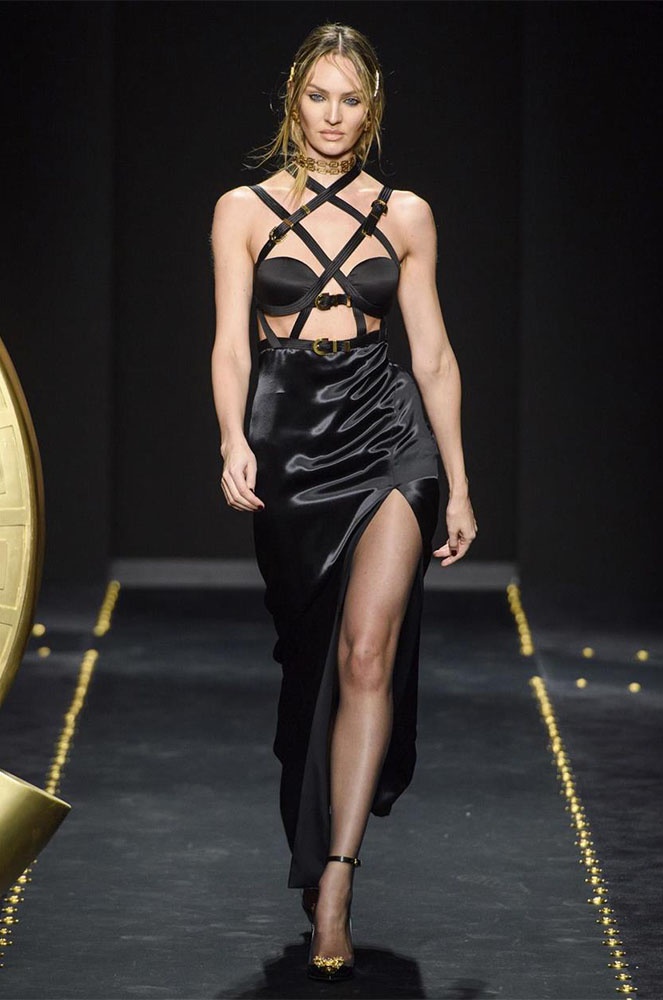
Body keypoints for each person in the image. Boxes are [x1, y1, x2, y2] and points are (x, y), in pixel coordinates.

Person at [210, 22, 477, 983]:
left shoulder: (405, 213)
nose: (332, 115)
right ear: (294, 100)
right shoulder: (241, 210)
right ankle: (315, 820)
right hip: (288, 437)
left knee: (368, 652)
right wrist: (233, 437)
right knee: (307, 659)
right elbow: (230, 343)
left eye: (350, 99)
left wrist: (456, 481)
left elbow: (432, 355)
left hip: (387, 430)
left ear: (371, 110)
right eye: (318, 96)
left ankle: (336, 885)